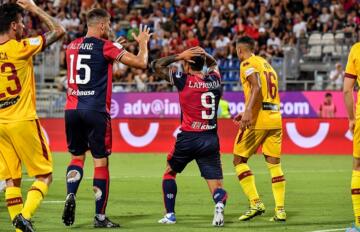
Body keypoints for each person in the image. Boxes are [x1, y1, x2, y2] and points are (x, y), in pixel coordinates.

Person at [62, 8, 151, 228]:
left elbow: (93, 60)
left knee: (77, 157)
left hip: (72, 109)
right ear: (102, 25)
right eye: (108, 24)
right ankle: (100, 218)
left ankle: (70, 194)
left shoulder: (71, 47)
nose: (109, 28)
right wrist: (143, 43)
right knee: (100, 161)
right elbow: (141, 63)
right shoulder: (106, 46)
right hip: (95, 110)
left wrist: (115, 48)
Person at [0, 0, 65, 231]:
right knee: (44, 175)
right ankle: (24, 217)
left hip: (0, 125)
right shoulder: (21, 47)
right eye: (23, 23)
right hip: (23, 119)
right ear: (14, 26)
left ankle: (19, 229)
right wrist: (35, 9)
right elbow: (59, 31)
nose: (25, 27)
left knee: (11, 179)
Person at [151, 47, 228, 227]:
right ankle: (218, 205)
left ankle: (170, 215)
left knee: (169, 172)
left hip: (188, 138)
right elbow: (214, 64)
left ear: (187, 64)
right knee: (216, 184)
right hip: (210, 138)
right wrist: (203, 55)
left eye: (185, 62)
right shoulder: (215, 80)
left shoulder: (183, 80)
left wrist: (179, 55)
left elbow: (156, 65)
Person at [233, 36, 286, 222]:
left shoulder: (246, 62)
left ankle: (256, 203)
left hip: (258, 121)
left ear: (240, 50)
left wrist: (248, 112)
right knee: (274, 165)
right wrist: (246, 109)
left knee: (239, 159)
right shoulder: (266, 64)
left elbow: (256, 86)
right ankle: (280, 210)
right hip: (275, 118)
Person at [343, 42, 360, 232]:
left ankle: (359, 223)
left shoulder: (356, 49)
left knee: (358, 166)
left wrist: (351, 118)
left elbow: (347, 90)